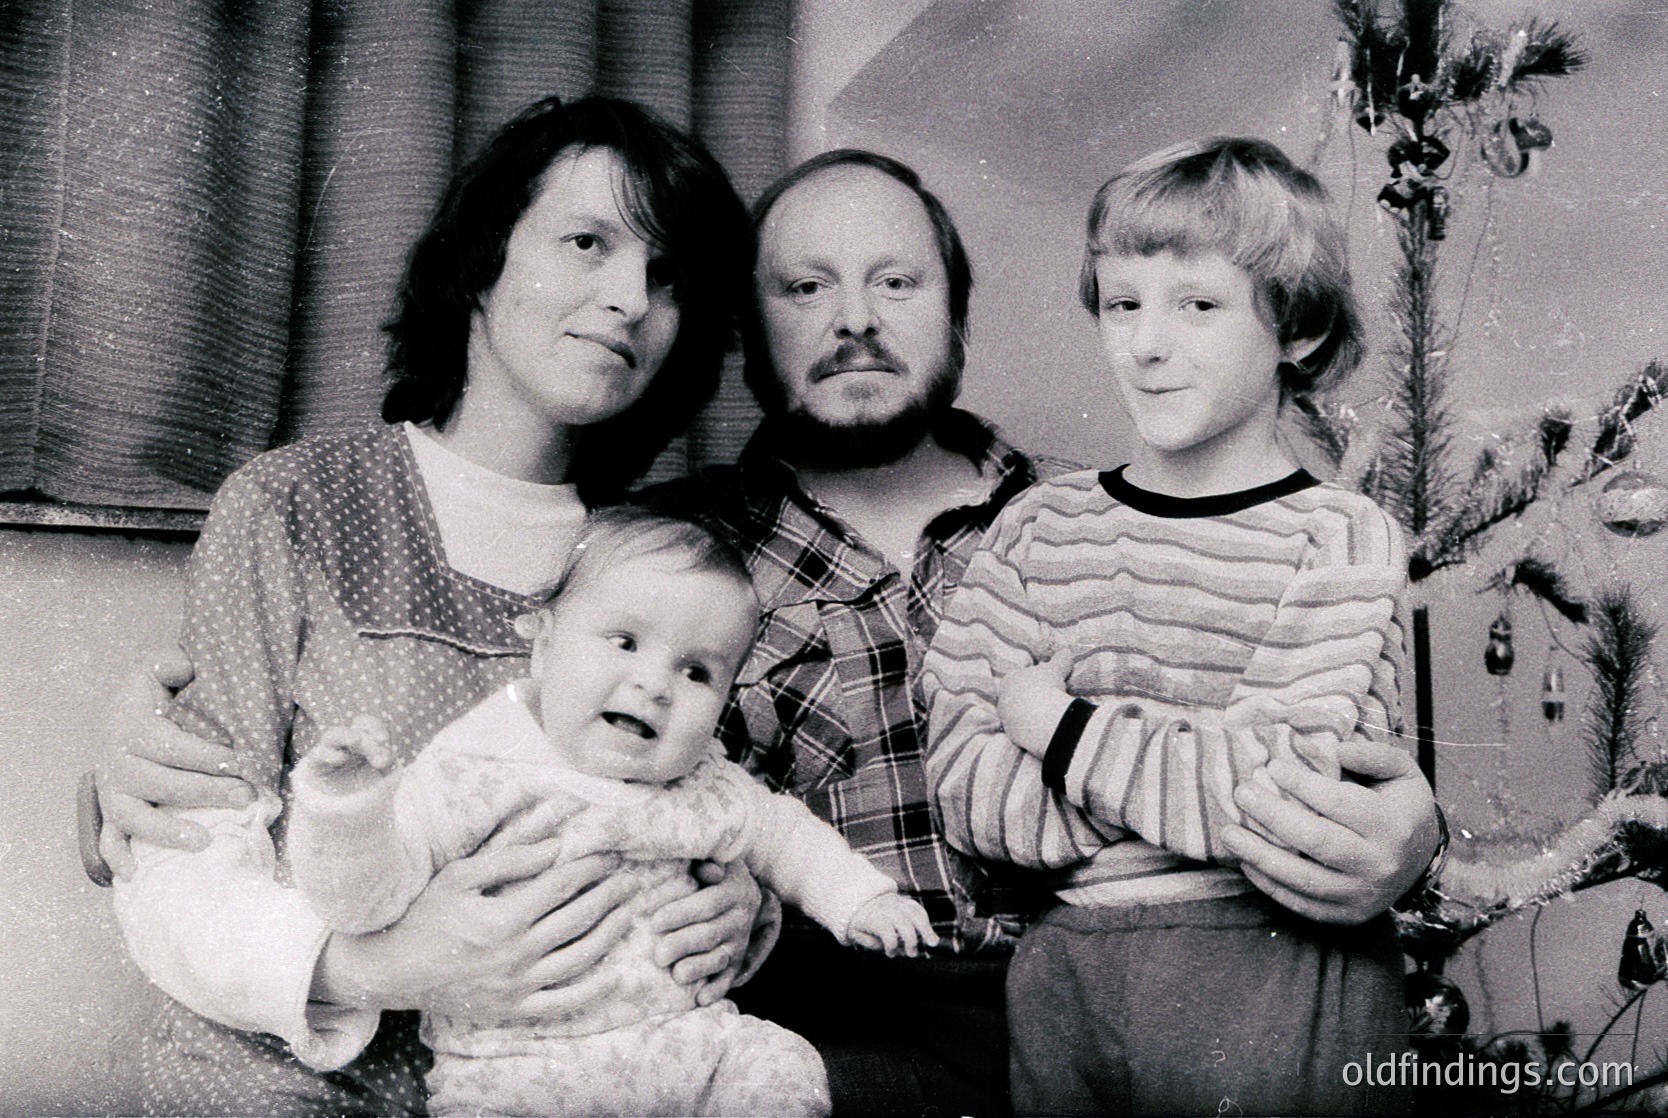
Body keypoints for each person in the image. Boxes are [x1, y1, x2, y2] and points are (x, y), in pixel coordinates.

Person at [89, 144, 1444, 1117]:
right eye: (804, 288)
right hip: (836, 1027)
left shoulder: (1089, 522)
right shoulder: (674, 561)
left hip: (1099, 993)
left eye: (896, 282)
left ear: (958, 314)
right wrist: (122, 770)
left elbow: (1313, 728)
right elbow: (534, 754)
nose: (854, 319)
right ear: (747, 335)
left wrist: (1411, 835)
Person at [91, 96, 763, 1116]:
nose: (631, 298)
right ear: (481, 259)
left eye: (667, 275)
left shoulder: (667, 565)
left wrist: (739, 912)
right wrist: (377, 966)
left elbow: (693, 817)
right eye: (588, 242)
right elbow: (173, 861)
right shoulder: (294, 503)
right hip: (281, 1086)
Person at [921, 136, 1413, 1116]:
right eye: (1122, 303)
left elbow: (1282, 803)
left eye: (1197, 305)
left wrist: (1060, 728)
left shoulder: (1341, 536)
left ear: (1298, 328)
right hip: (1066, 979)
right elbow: (965, 788)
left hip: (1280, 970)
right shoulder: (1037, 527)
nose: (1145, 345)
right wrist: (1192, 784)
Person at [262, 508, 937, 1117]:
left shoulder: (703, 784)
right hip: (515, 1073)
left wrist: (860, 899)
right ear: (543, 644)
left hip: (686, 1046)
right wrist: (347, 809)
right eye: (625, 642)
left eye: (697, 672)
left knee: (780, 1068)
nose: (655, 685)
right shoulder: (475, 770)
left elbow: (783, 833)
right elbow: (361, 904)